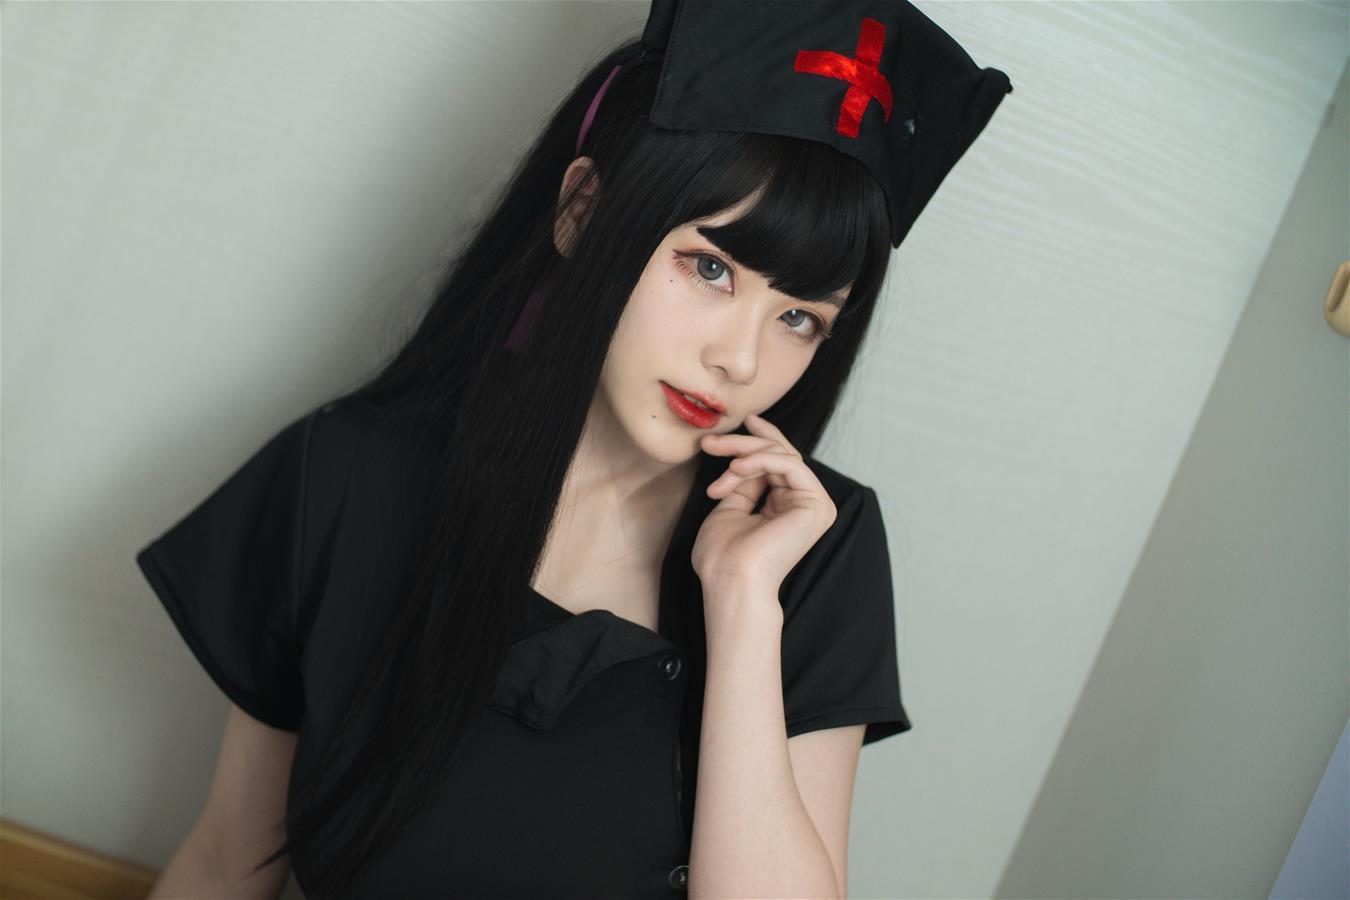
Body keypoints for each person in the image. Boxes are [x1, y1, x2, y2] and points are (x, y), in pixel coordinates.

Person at [136, 1, 1011, 897]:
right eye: (711, 268)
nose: (740, 361)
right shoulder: (348, 474)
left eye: (799, 318)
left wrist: (746, 607)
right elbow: (227, 863)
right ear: (582, 211)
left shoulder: (812, 545)